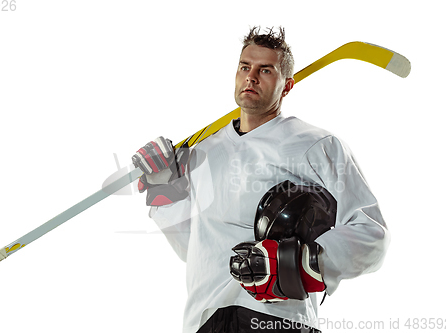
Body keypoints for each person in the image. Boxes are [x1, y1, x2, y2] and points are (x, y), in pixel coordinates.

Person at [132, 27, 390, 333]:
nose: (251, 77)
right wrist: (166, 192)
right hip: (206, 317)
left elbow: (372, 234)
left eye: (265, 70)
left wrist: (304, 263)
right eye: (245, 67)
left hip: (279, 319)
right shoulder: (203, 152)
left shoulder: (316, 145)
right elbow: (197, 250)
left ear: (287, 86)